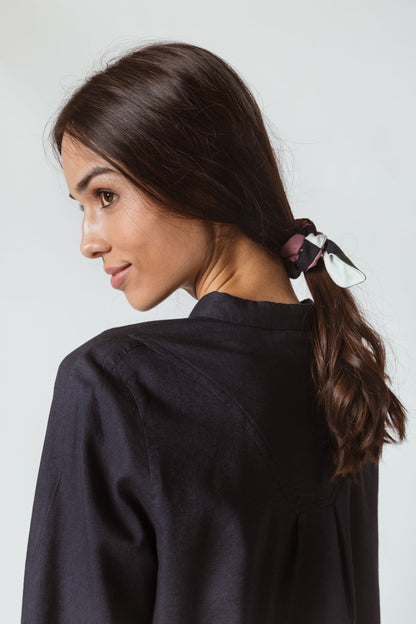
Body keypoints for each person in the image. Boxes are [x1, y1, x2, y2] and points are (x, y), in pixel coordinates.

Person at [20, 41, 407, 624]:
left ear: (198, 179)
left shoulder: (115, 383)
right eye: (82, 206)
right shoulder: (340, 368)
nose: (88, 241)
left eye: (106, 196)